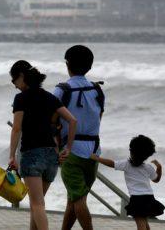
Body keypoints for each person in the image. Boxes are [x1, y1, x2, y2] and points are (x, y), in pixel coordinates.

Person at [8, 60, 77, 230]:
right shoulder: (49, 97)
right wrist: (67, 148)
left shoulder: (21, 98)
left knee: (37, 205)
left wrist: (11, 156)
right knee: (36, 204)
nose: (14, 85)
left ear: (22, 76)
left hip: (32, 155)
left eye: (14, 80)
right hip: (51, 157)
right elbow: (72, 120)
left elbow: (16, 129)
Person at [53, 45, 105, 230]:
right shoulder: (97, 90)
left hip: (70, 151)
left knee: (78, 198)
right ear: (90, 67)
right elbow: (98, 119)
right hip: (93, 151)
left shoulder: (61, 90)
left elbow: (51, 122)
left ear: (67, 64)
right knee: (74, 198)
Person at [90, 135, 165, 230]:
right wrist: (159, 168)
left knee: (140, 223)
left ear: (131, 151)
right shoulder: (148, 168)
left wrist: (97, 158)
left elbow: (112, 163)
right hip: (149, 197)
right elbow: (156, 180)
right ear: (147, 155)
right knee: (144, 222)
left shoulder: (126, 165)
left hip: (137, 199)